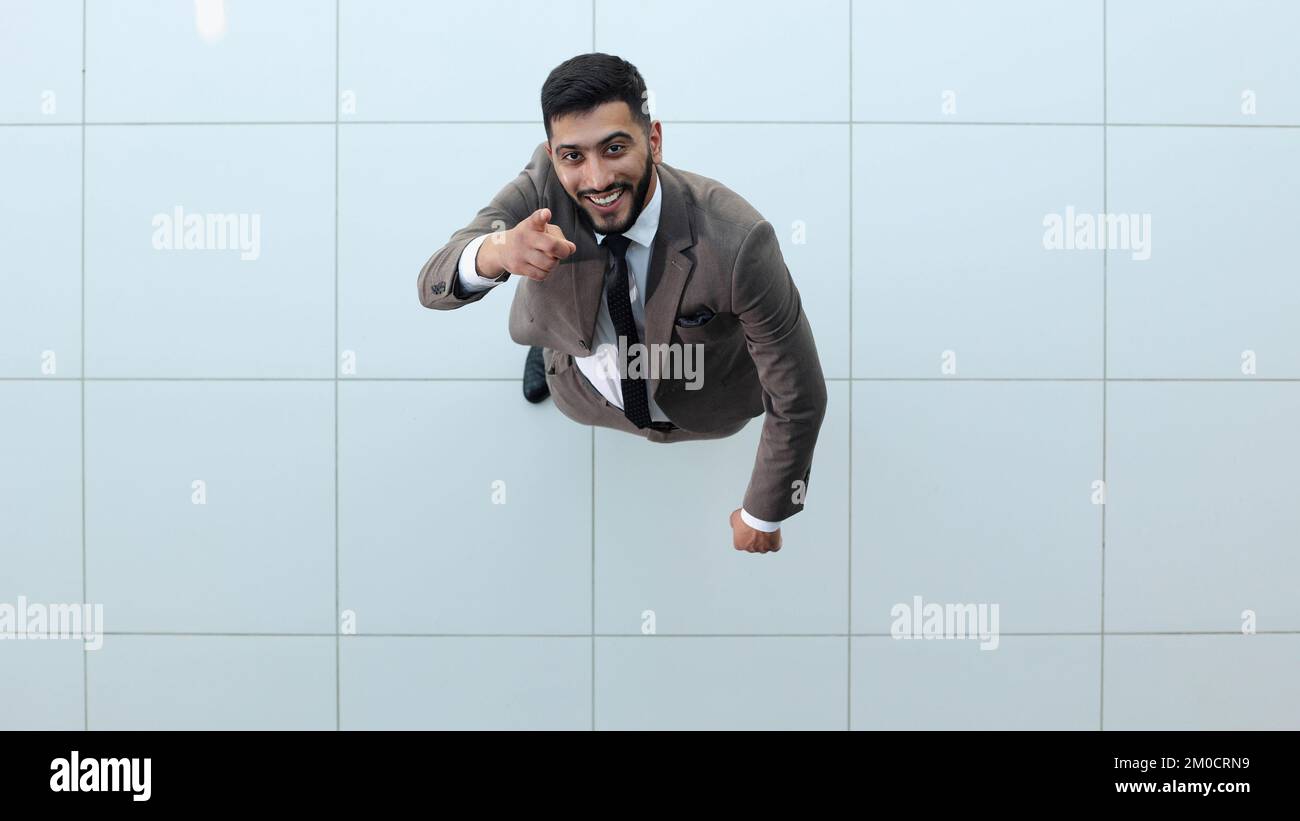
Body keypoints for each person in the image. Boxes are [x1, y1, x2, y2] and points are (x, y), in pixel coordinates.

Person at [418, 53, 827, 554]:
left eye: (615, 149)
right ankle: (552, 348)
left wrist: (764, 513)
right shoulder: (544, 182)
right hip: (581, 390)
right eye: (573, 156)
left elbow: (798, 393)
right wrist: (497, 252)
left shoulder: (739, 242)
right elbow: (433, 282)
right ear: (553, 152)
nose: (596, 180)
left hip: (702, 401)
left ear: (653, 140)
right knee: (559, 342)